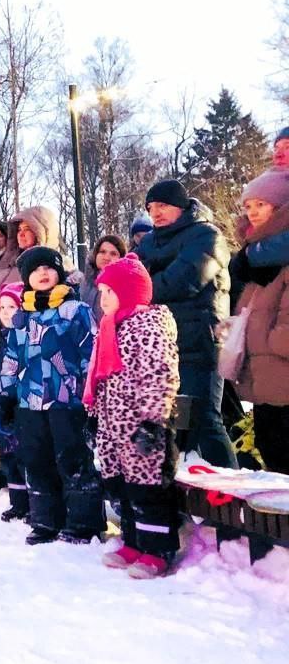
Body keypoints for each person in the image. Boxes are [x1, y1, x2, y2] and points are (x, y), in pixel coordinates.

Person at [85, 254, 181, 579]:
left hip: (141, 425)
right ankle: (133, 540)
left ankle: (158, 549)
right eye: (101, 292)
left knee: (147, 487)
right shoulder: (108, 329)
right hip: (112, 425)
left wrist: (153, 421)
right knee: (120, 486)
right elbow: (97, 378)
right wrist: (93, 417)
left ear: (129, 293)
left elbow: (159, 375)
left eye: (109, 292)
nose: (103, 299)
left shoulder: (148, 326)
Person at [0, 246, 99, 546]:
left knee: (72, 459)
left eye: (49, 268)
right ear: (27, 277)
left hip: (66, 400)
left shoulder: (75, 310)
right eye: (36, 269)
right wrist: (5, 396)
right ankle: (45, 520)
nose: (43, 273)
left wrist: (89, 397)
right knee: (37, 460)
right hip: (30, 402)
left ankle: (82, 523)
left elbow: (90, 356)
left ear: (59, 273)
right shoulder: (22, 317)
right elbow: (11, 359)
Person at [136, 179, 237, 468]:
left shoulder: (207, 236)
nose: (155, 213)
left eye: (163, 205)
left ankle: (231, 493)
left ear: (181, 206)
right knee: (176, 424)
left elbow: (182, 281)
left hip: (201, 339)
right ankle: (188, 495)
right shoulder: (150, 242)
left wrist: (144, 284)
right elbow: (130, 278)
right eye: (150, 207)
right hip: (163, 343)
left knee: (205, 419)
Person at [229, 171, 289, 473]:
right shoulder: (255, 260)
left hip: (283, 374)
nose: (251, 212)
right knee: (274, 457)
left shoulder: (280, 259)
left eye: (261, 204)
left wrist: (266, 339)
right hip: (267, 378)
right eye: (249, 205)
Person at [0, 283, 28, 522]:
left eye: (12, 306)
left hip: (22, 403)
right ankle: (17, 501)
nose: (5, 312)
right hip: (5, 401)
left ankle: (32, 502)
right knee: (9, 455)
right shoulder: (4, 336)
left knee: (24, 456)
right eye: (2, 307)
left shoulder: (24, 335)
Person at [80, 234, 127, 324]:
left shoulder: (126, 284)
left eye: (113, 254)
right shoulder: (84, 282)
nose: (106, 257)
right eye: (102, 252)